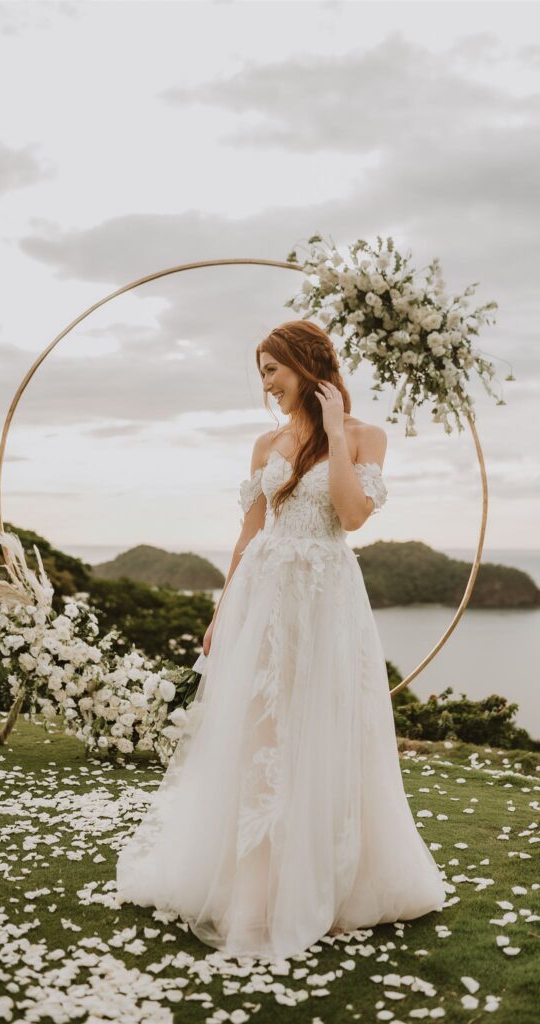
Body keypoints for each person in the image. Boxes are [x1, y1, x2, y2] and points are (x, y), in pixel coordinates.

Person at [115, 320, 447, 960]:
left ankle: (330, 881)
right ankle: (256, 889)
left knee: (323, 728)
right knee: (262, 731)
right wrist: (221, 608)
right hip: (264, 596)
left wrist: (334, 434)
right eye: (261, 371)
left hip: (328, 598)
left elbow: (351, 516)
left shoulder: (365, 436)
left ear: (307, 363)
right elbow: (248, 530)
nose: (266, 384)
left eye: (273, 369)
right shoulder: (265, 443)